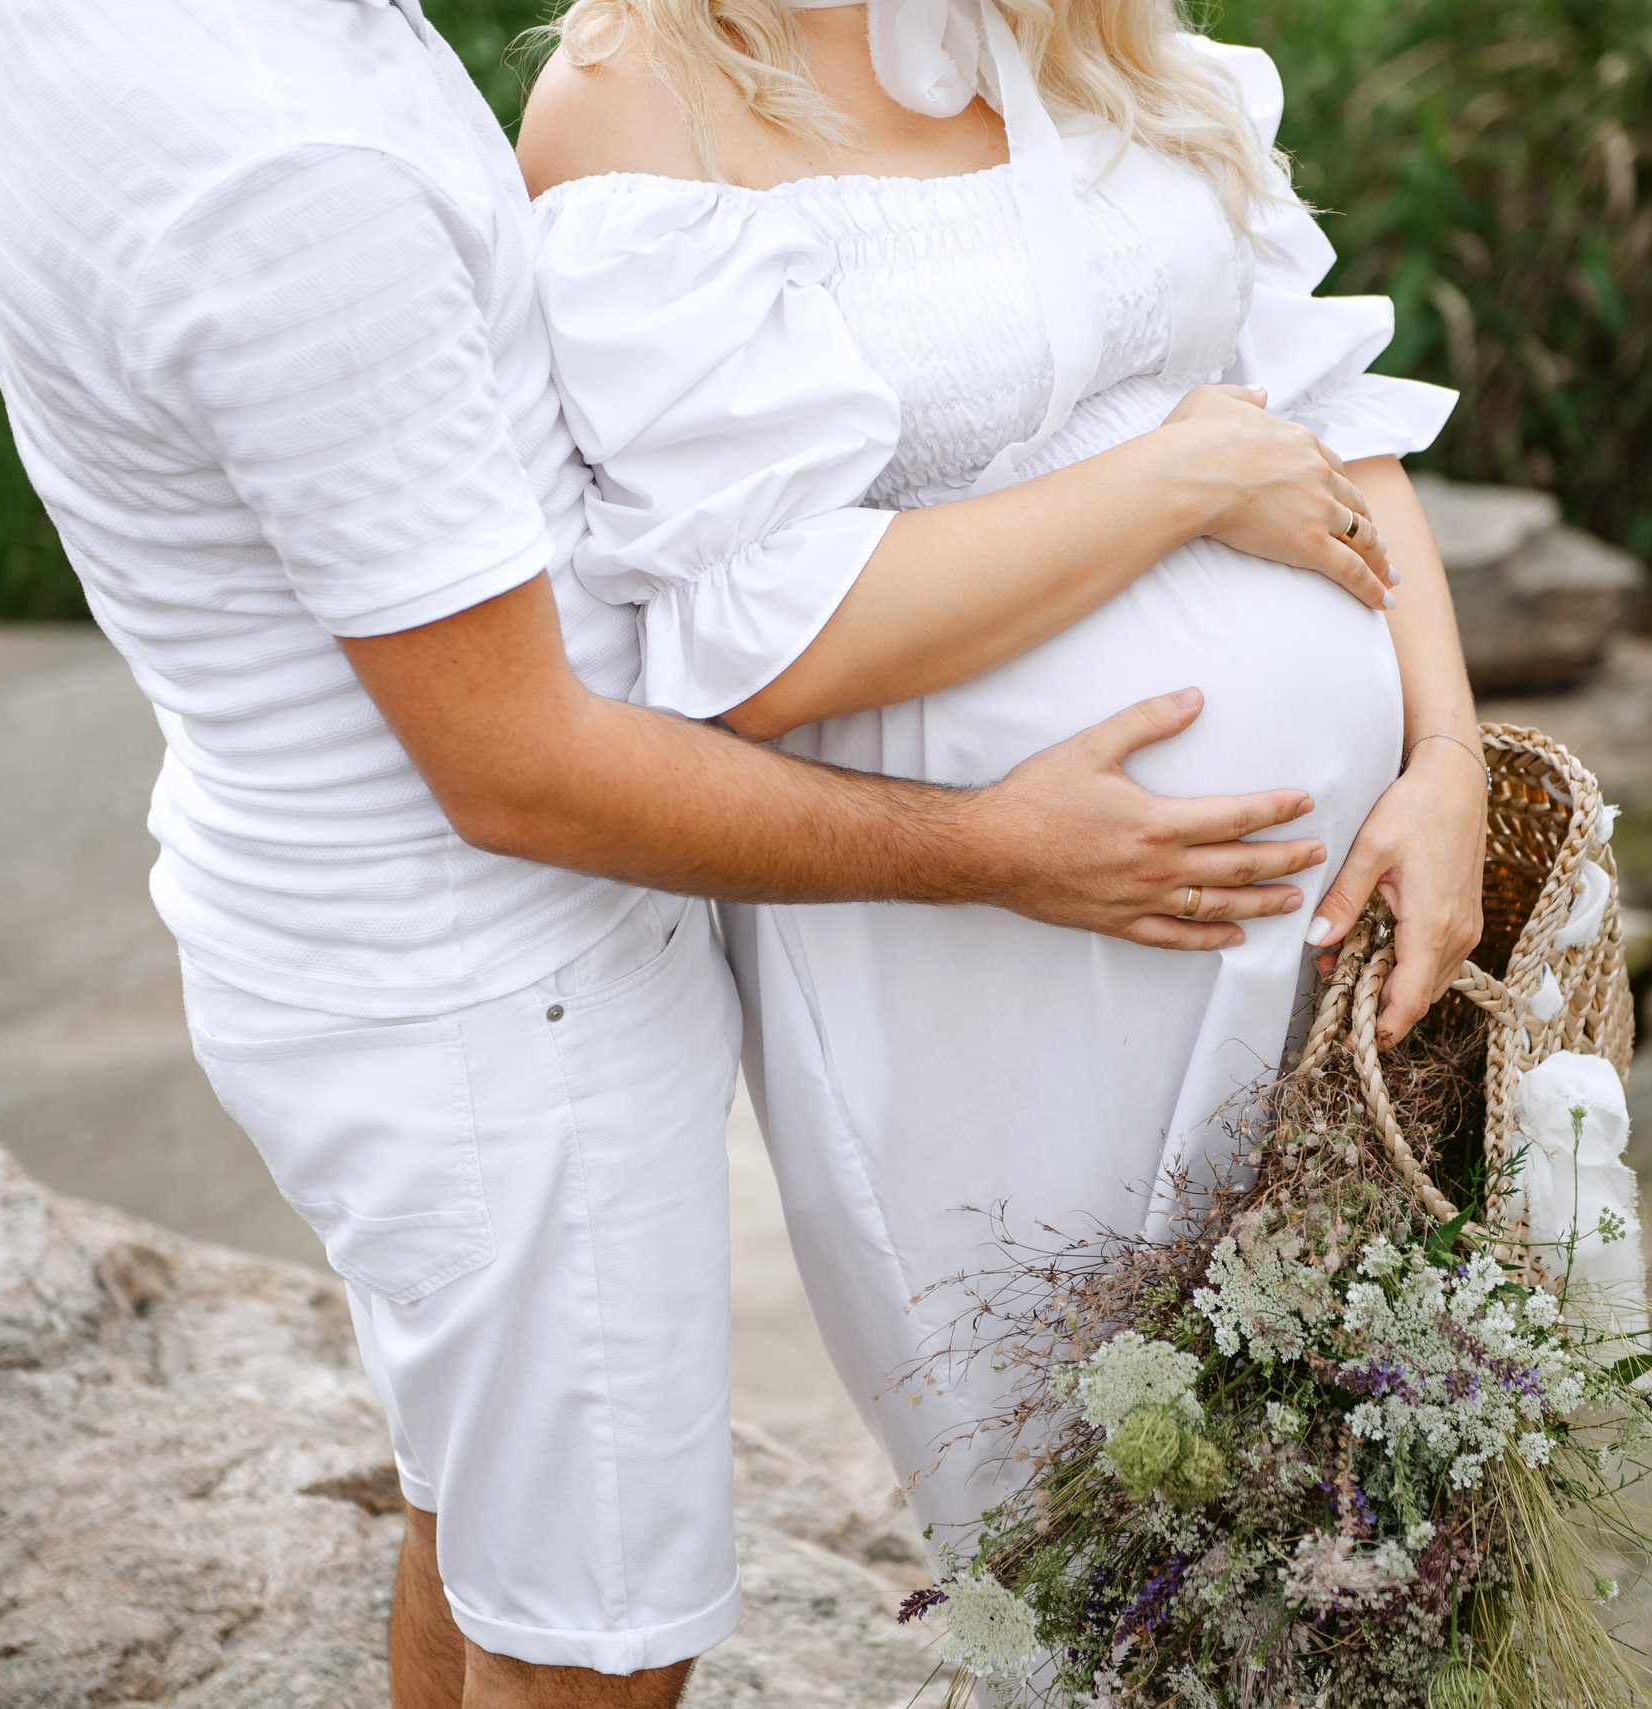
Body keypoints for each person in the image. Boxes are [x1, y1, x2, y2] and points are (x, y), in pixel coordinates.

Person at [0, 0, 1395, 1704]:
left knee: (483, 1529)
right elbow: (520, 770)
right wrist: (989, 843)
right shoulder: (296, 177)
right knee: (594, 1652)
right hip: (498, 997)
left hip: (394, 949)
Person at [515, 0, 1490, 1579]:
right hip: (996, 945)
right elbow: (767, 638)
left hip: (1328, 918)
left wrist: (1445, 750)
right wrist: (1178, 480)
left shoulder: (1082, 23)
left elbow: (1313, 404)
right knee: (1100, 1532)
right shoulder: (642, 93)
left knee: (1390, 1498)